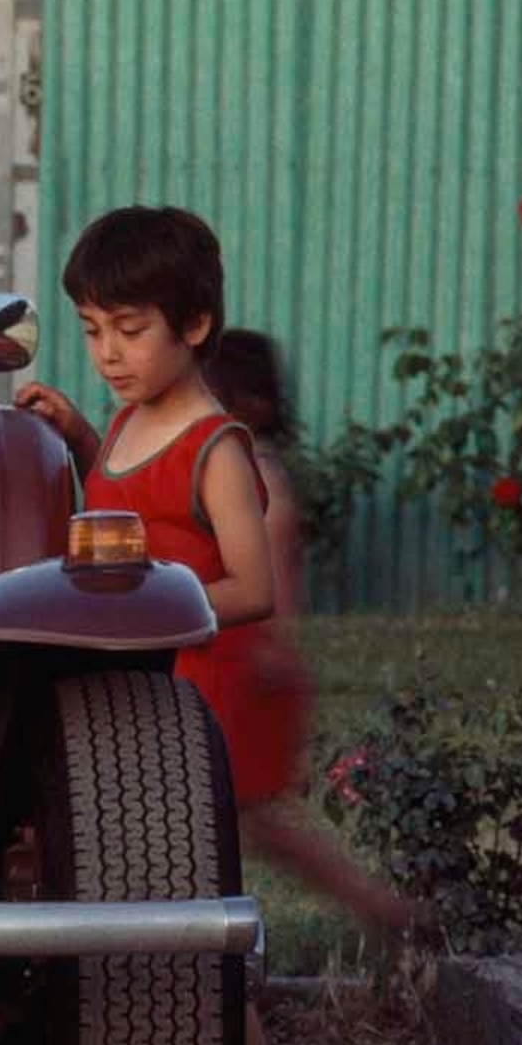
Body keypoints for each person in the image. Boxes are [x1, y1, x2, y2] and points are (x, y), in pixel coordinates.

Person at [14, 211, 327, 1045]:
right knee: (145, 925)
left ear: (194, 324)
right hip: (131, 709)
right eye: (93, 327)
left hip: (194, 701)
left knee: (191, 930)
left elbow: (250, 583)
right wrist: (72, 437)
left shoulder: (213, 445)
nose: (107, 351)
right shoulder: (124, 420)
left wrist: (156, 602)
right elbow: (118, 519)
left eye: (130, 328)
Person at [204, 331, 415, 944]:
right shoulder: (236, 468)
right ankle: (380, 909)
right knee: (253, 823)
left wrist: (273, 642)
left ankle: (382, 911)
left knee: (245, 818)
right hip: (237, 660)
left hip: (248, 665)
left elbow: (272, 571)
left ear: (249, 403)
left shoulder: (256, 474)